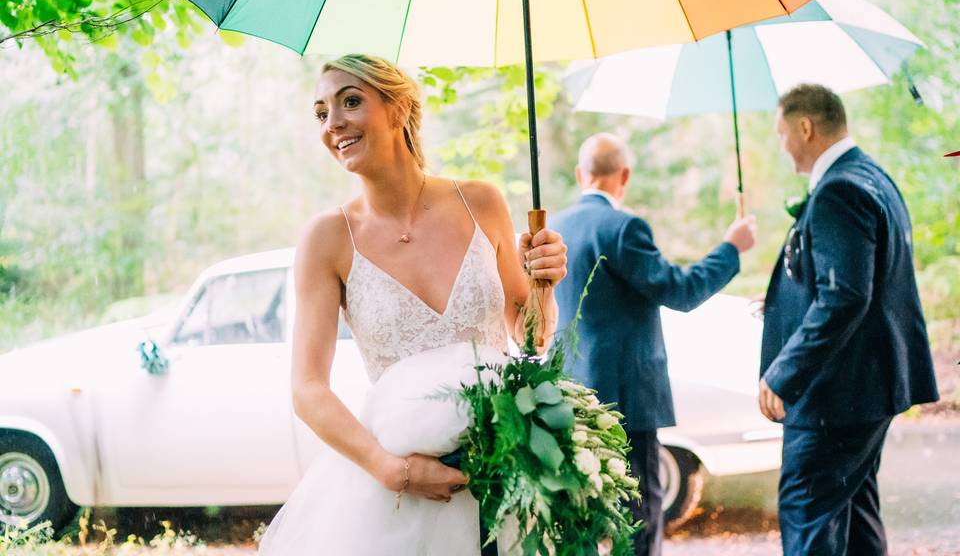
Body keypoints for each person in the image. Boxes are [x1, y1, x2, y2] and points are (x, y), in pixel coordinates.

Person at [258, 54, 567, 555]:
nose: (333, 124)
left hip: (508, 470)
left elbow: (531, 337)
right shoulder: (327, 239)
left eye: (350, 102)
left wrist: (544, 284)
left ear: (398, 108)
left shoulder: (481, 201)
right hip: (399, 496)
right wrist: (393, 470)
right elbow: (307, 389)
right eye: (321, 113)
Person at [551, 133, 757, 556]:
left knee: (581, 514)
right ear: (623, 176)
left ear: (579, 174)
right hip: (624, 399)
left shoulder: (555, 226)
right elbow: (681, 291)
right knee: (639, 511)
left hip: (570, 396)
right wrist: (731, 248)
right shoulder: (624, 228)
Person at [760, 84, 939, 555]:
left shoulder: (840, 188)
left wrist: (783, 374)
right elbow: (861, 282)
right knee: (857, 518)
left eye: (783, 134)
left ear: (805, 127)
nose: (782, 146)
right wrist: (784, 303)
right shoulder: (872, 175)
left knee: (808, 518)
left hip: (836, 395)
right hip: (869, 387)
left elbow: (845, 297)